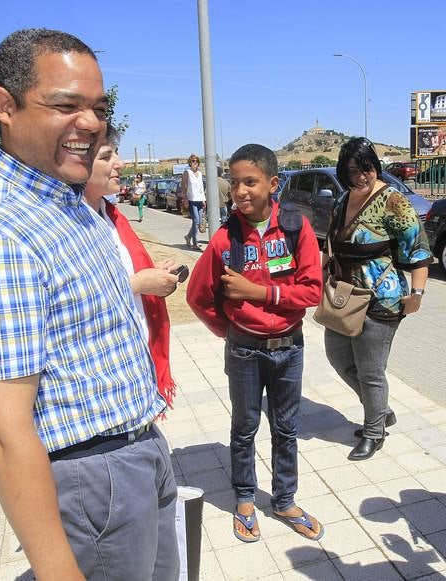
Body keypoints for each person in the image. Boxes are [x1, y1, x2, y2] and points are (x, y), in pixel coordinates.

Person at [0, 29, 179, 581]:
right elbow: (4, 430)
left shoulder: (70, 201)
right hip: (92, 481)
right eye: (66, 105)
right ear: (5, 107)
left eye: (98, 108)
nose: (89, 123)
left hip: (138, 453)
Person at [186, 144, 324, 544]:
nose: (241, 191)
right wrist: (228, 329)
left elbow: (311, 291)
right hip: (244, 350)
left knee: (287, 429)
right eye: (235, 182)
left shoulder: (297, 229)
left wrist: (259, 294)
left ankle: (284, 500)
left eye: (251, 182)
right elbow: (199, 296)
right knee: (244, 427)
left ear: (273, 183)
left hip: (289, 348)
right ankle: (245, 499)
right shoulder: (225, 239)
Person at [323, 137, 432, 461]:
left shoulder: (392, 200)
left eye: (366, 169)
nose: (361, 177)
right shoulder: (343, 200)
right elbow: (330, 246)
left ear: (375, 165)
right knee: (339, 358)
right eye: (354, 171)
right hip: (344, 296)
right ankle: (380, 410)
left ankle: (374, 432)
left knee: (371, 371)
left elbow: (418, 249)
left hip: (381, 300)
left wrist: (417, 293)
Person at [82, 125, 180, 411]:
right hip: (103, 385)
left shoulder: (110, 216)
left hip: (133, 365)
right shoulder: (70, 224)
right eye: (107, 156)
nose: (120, 164)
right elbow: (76, 298)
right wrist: (137, 284)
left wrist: (151, 274)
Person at [181, 154, 206, 249]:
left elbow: (201, 188)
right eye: (192, 161)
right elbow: (183, 187)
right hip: (191, 200)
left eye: (196, 161)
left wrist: (204, 200)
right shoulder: (187, 173)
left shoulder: (200, 173)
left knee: (199, 223)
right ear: (190, 163)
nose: (194, 162)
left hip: (200, 199)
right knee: (195, 221)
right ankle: (195, 243)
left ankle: (188, 237)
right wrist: (185, 199)